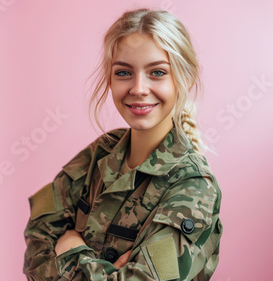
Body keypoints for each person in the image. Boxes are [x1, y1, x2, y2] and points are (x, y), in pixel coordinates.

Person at [23, 8, 223, 281]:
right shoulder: (100, 152)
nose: (138, 88)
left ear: (184, 78)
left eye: (157, 72)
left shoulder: (193, 186)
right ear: (110, 78)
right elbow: (37, 236)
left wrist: (71, 249)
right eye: (124, 73)